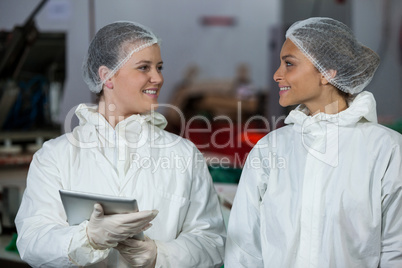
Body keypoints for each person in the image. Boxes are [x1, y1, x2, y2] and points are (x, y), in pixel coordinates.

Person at [15, 21, 226, 267]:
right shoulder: (55, 156)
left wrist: (160, 254)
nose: (157, 78)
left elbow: (212, 240)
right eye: (143, 67)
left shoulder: (182, 153)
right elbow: (31, 242)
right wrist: (87, 239)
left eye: (159, 67)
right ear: (107, 76)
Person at [225, 17, 402, 267]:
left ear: (327, 73)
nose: (277, 75)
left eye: (289, 64)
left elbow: (396, 250)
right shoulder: (270, 149)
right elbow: (244, 248)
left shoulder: (387, 150)